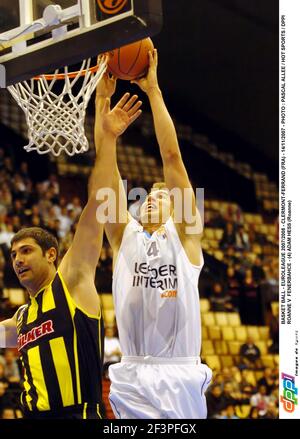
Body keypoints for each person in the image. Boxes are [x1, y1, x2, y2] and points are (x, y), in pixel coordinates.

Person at [0, 74, 142, 418]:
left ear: (52, 254)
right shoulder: (20, 320)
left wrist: (107, 136)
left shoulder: (72, 280)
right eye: (14, 253)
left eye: (26, 250)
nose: (17, 259)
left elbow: (100, 201)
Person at [96, 48, 212, 419]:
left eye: (162, 195)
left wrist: (153, 90)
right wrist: (102, 103)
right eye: (148, 194)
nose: (151, 198)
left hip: (178, 373)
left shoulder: (187, 238)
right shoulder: (123, 237)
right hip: (130, 374)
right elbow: (106, 180)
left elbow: (172, 157)